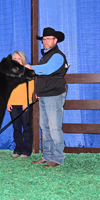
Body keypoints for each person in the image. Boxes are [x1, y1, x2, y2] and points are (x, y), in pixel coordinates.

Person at [30, 27, 69, 168]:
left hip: (54, 95)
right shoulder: (46, 55)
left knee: (54, 128)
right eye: (44, 39)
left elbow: (47, 70)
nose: (45, 41)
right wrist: (38, 91)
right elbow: (43, 76)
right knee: (44, 127)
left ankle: (58, 158)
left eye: (48, 39)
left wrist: (30, 67)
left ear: (55, 40)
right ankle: (47, 156)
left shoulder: (58, 55)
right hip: (45, 95)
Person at [7, 51, 35, 159]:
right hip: (13, 103)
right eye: (14, 59)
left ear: (23, 59)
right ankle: (18, 149)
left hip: (25, 103)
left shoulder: (28, 71)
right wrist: (8, 102)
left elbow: (31, 88)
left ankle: (27, 150)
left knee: (26, 127)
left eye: (18, 58)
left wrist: (26, 103)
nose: (16, 60)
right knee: (16, 128)